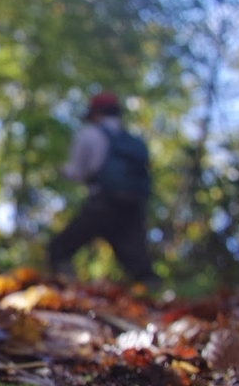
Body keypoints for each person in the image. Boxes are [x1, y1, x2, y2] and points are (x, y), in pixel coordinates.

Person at [47, 91, 160, 286]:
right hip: (132, 206)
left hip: (102, 204)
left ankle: (65, 291)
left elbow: (78, 172)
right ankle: (157, 298)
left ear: (95, 113)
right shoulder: (131, 140)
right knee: (140, 266)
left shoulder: (89, 134)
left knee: (59, 249)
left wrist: (59, 169)